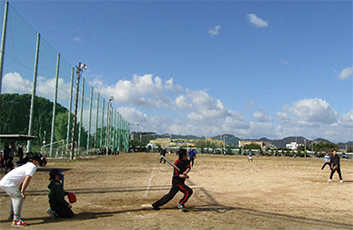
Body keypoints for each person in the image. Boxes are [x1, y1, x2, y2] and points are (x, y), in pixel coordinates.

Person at [0, 152, 43, 227]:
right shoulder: (32, 166)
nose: (39, 162)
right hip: (7, 183)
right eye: (38, 160)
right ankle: (16, 220)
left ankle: (12, 215)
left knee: (15, 197)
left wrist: (21, 191)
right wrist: (22, 192)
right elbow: (27, 180)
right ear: (34, 161)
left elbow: (22, 180)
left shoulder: (28, 165)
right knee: (18, 198)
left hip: (5, 182)